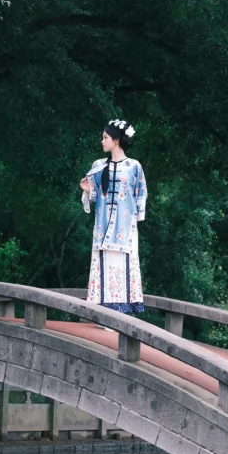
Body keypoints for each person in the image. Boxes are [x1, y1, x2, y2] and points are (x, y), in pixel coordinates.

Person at [79, 120, 147, 313]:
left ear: (116, 140)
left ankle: (121, 313)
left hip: (125, 229)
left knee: (123, 267)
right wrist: (87, 190)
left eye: (105, 137)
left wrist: (135, 218)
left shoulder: (134, 166)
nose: (102, 141)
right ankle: (101, 313)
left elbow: (141, 192)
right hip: (102, 227)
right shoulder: (98, 166)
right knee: (103, 266)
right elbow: (93, 195)